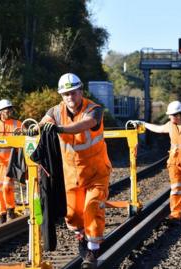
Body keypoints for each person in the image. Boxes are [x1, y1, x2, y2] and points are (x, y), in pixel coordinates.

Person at [31, 73, 112, 269]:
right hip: (70, 176)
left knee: (92, 207)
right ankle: (82, 237)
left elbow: (86, 124)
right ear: (61, 95)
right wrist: (34, 129)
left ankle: (92, 251)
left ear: (80, 92)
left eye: (73, 93)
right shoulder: (55, 111)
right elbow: (43, 123)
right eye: (65, 94)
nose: (70, 98)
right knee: (74, 216)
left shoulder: (94, 109)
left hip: (96, 173)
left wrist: (60, 130)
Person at [134, 100, 181, 225]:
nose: (169, 117)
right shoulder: (170, 125)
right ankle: (175, 215)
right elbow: (158, 129)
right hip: (174, 161)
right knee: (175, 188)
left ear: (178, 115)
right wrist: (143, 123)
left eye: (171, 115)